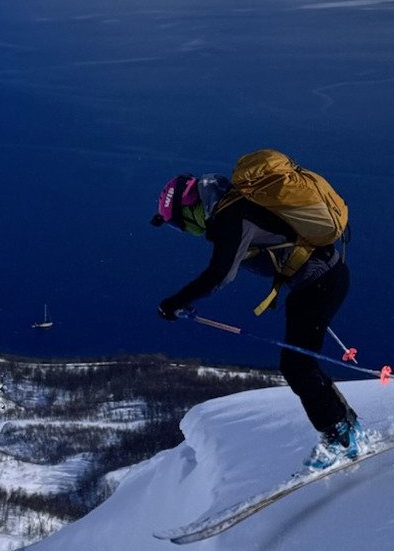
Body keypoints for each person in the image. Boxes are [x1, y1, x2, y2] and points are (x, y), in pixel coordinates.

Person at [152, 169, 363, 471]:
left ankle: (343, 437)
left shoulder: (231, 217)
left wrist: (174, 302)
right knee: (299, 364)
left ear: (191, 210)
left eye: (180, 224)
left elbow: (220, 274)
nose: (186, 231)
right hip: (319, 281)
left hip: (320, 284)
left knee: (296, 366)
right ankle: (343, 428)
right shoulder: (235, 204)